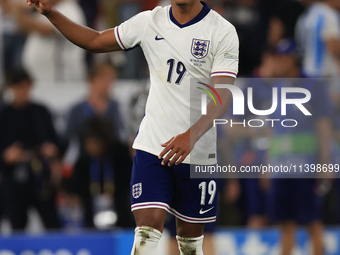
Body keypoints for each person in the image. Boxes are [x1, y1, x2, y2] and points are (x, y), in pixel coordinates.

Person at [25, 0, 239, 254]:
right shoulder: (149, 22)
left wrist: (190, 136)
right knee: (148, 227)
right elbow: (94, 41)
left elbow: (223, 95)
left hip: (197, 152)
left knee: (190, 241)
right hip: (153, 146)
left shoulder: (221, 30)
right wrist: (51, 13)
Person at [266, 39, 333, 255]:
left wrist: (325, 162)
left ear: (294, 59)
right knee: (285, 223)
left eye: (284, 57)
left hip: (307, 165)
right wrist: (268, 164)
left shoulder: (313, 85)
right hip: (281, 167)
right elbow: (274, 130)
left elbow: (323, 126)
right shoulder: (278, 88)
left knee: (312, 220)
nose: (279, 62)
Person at [0, 69, 61, 230]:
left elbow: (57, 142)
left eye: (27, 87)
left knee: (53, 224)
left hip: (41, 177)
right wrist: (6, 156)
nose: (25, 92)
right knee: (17, 226)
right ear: (12, 88)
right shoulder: (4, 115)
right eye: (21, 87)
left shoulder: (40, 111)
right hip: (14, 180)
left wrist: (52, 151)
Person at [19, 0, 86, 83]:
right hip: (43, 78)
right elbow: (24, 29)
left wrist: (21, 15)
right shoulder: (50, 9)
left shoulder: (69, 9)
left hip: (60, 77)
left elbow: (46, 30)